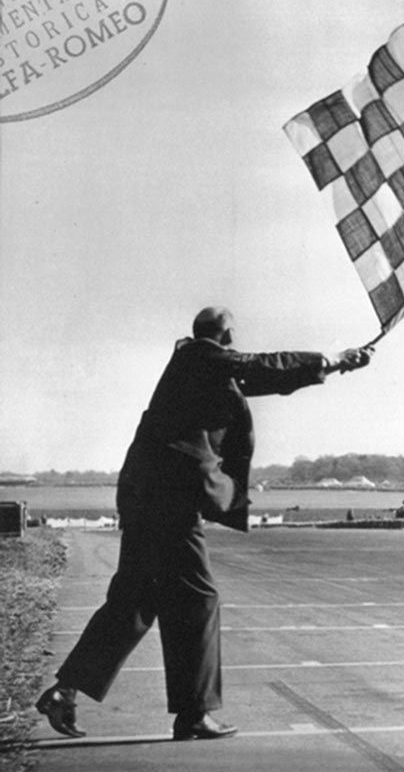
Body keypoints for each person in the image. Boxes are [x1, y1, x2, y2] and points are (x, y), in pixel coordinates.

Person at [35, 307, 373, 741]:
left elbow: (263, 376)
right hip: (167, 498)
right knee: (198, 599)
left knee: (135, 601)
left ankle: (66, 692)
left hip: (149, 495)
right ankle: (193, 714)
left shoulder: (200, 365)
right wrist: (329, 358)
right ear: (227, 332)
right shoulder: (199, 357)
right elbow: (258, 366)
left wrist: (335, 364)